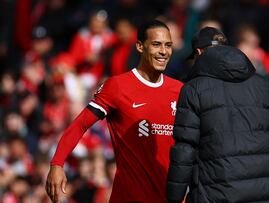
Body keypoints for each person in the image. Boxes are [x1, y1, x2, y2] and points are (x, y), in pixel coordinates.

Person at [45, 19, 183, 203]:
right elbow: (80, 125)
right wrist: (57, 164)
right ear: (140, 46)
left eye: (168, 45)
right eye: (156, 44)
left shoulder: (180, 90)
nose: (163, 52)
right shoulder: (118, 86)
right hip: (129, 197)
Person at [166, 27, 269, 203]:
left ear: (199, 52)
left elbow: (184, 152)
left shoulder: (193, 90)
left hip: (220, 194)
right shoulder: (262, 84)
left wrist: (173, 199)